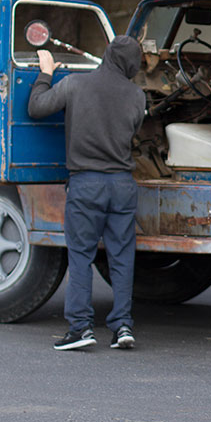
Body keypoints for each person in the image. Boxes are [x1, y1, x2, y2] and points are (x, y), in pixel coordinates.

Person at [28, 35, 146, 351]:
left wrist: (46, 72)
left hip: (86, 184)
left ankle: (81, 329)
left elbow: (36, 108)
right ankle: (122, 327)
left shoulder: (75, 84)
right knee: (122, 257)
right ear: (132, 64)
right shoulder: (137, 95)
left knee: (82, 255)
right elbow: (134, 130)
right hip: (122, 184)